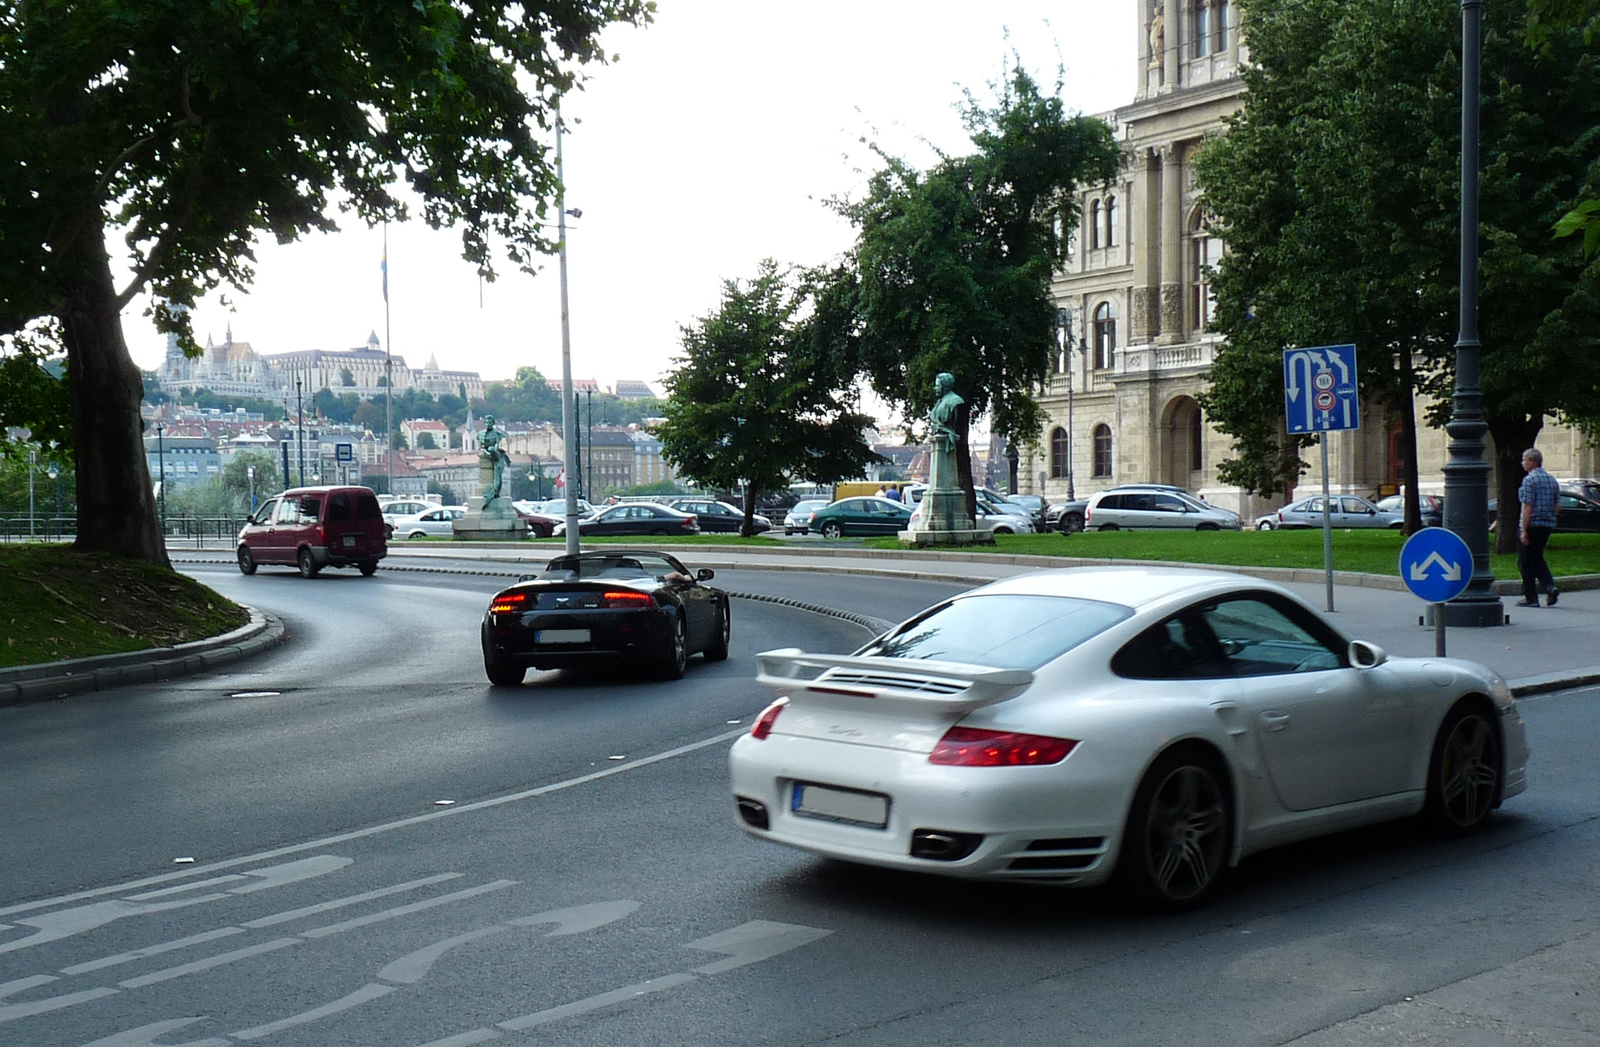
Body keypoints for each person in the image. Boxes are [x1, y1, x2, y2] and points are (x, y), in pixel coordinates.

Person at [1516, 446, 1560, 607]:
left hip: (1532, 523)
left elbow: (1528, 506)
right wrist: (1549, 517)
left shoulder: (1529, 480)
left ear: (1532, 462)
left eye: (1524, 460)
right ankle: (1550, 587)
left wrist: (1523, 529)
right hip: (1546, 524)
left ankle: (1531, 597)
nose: (1522, 463)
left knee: (1525, 561)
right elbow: (1557, 505)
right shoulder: (1551, 479)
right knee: (1537, 557)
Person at [927, 372, 965, 493]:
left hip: (944, 435)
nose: (935, 388)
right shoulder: (940, 402)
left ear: (945, 386)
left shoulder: (954, 401)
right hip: (939, 435)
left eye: (937, 385)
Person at [479, 415, 511, 508]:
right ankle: (490, 494)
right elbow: (482, 447)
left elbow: (496, 445)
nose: (488, 424)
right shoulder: (480, 434)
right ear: (484, 423)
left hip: (496, 459)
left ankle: (492, 494)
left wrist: (492, 451)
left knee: (497, 481)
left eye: (490, 422)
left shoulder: (497, 433)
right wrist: (487, 452)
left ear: (493, 423)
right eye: (487, 422)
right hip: (488, 456)